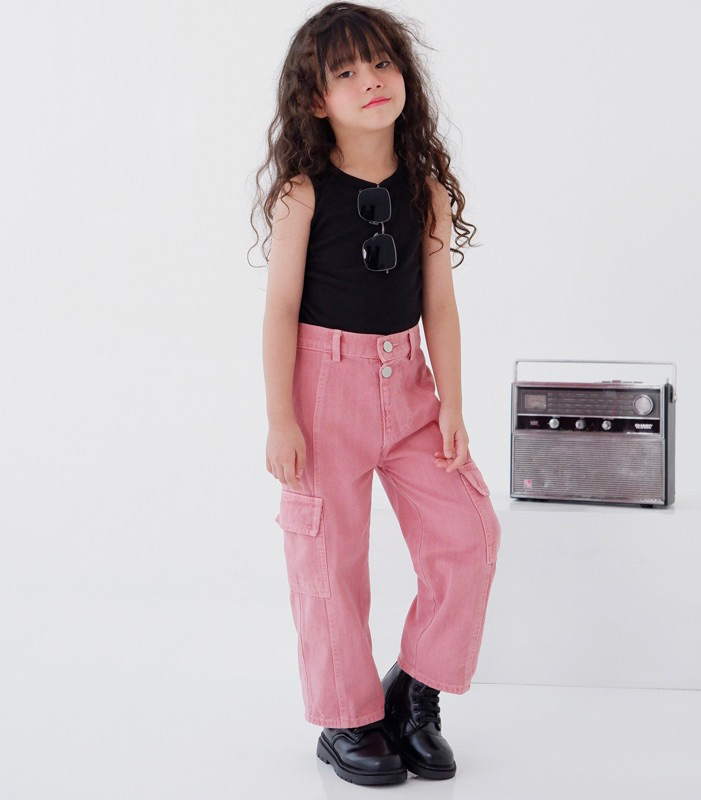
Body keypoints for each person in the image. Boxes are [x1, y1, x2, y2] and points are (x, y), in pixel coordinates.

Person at [251, 1, 502, 786]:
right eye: (347, 71)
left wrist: (452, 404)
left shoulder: (425, 190)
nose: (371, 81)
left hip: (412, 385)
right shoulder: (302, 193)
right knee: (329, 560)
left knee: (469, 534)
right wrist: (282, 418)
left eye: (382, 63)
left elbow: (440, 307)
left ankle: (413, 695)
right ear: (316, 100)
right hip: (324, 391)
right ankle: (347, 719)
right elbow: (279, 310)